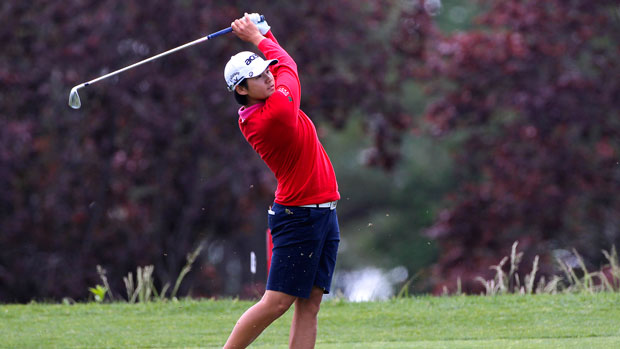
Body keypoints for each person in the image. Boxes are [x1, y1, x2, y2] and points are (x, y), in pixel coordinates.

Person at [222, 13, 341, 349]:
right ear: (242, 89)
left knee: (311, 303)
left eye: (265, 70)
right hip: (298, 217)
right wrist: (257, 35)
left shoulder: (264, 100)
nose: (268, 77)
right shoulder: (274, 115)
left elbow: (277, 63)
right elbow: (287, 63)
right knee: (276, 302)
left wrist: (262, 31)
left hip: (323, 213)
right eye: (258, 77)